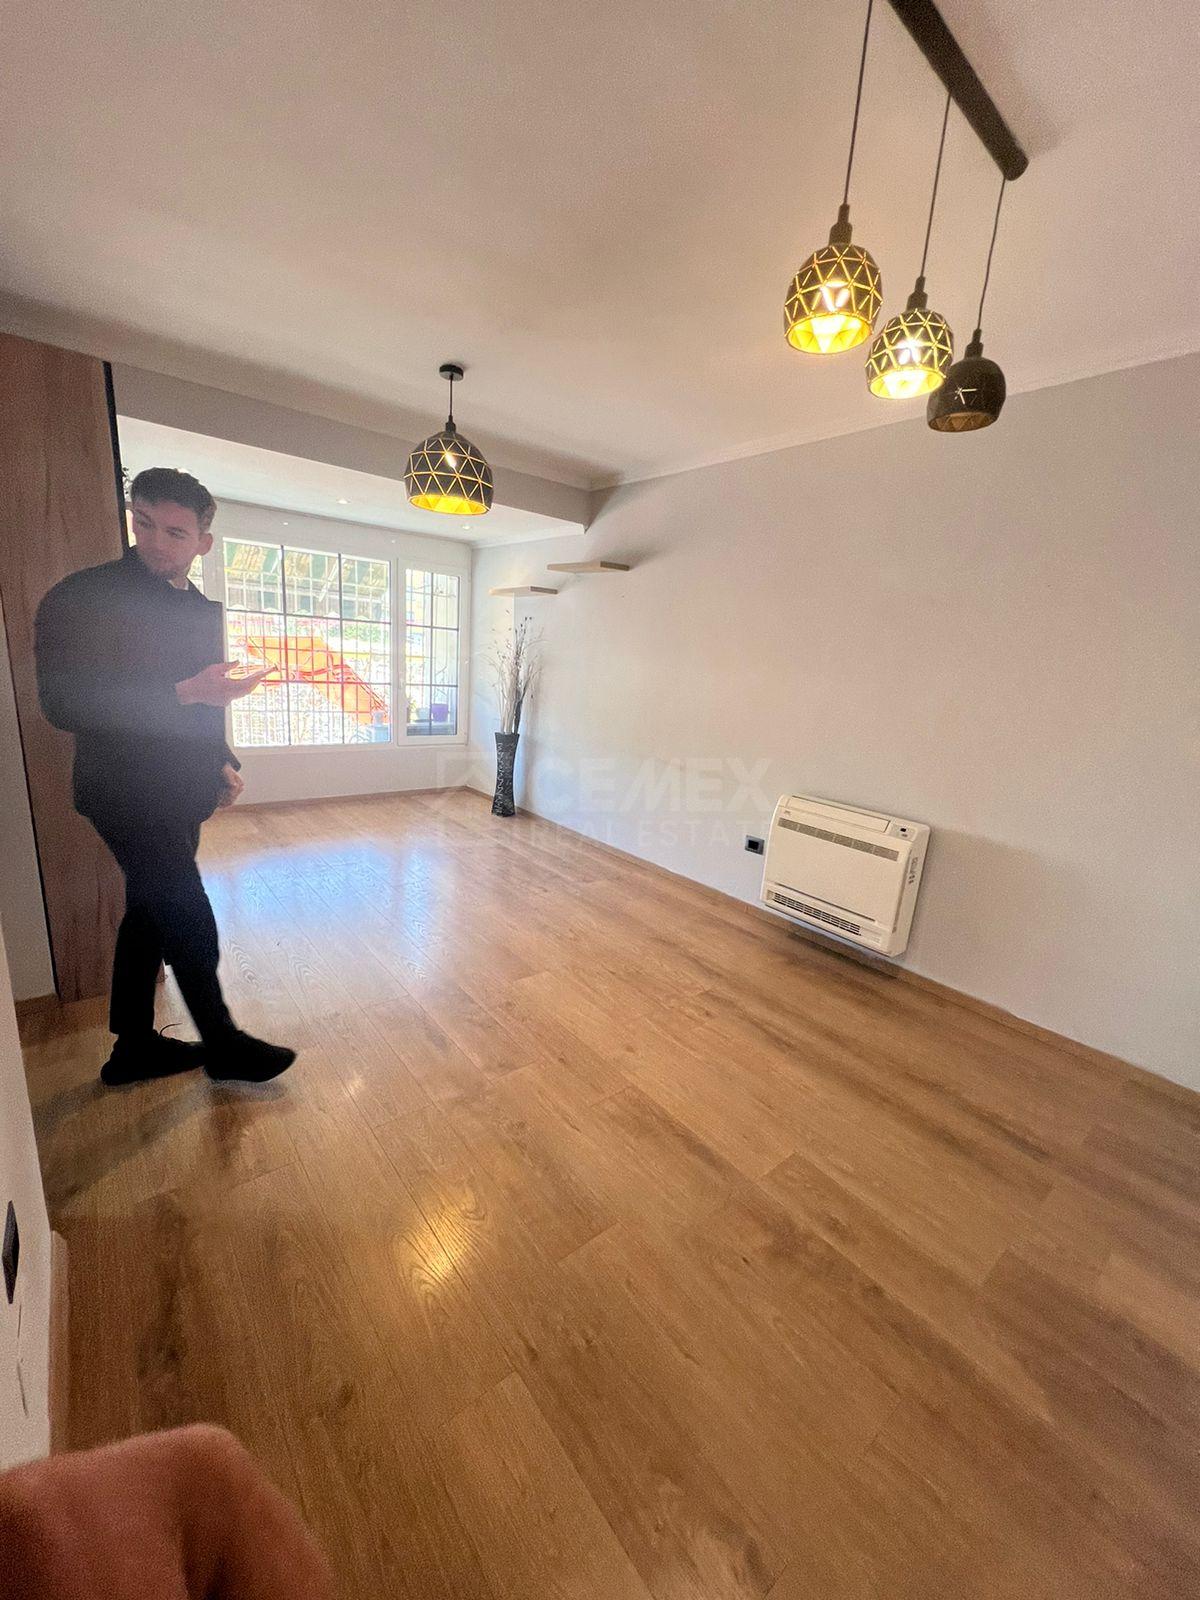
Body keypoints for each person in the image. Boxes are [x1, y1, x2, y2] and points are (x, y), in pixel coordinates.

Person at [34, 466, 296, 1086]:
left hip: (182, 789)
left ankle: (133, 1049)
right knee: (185, 910)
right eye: (145, 523)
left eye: (175, 533)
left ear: (203, 541)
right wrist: (184, 691)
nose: (155, 542)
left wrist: (220, 758)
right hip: (122, 790)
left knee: (149, 911)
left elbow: (206, 699)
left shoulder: (199, 611)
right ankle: (223, 1044)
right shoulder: (81, 596)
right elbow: (62, 705)